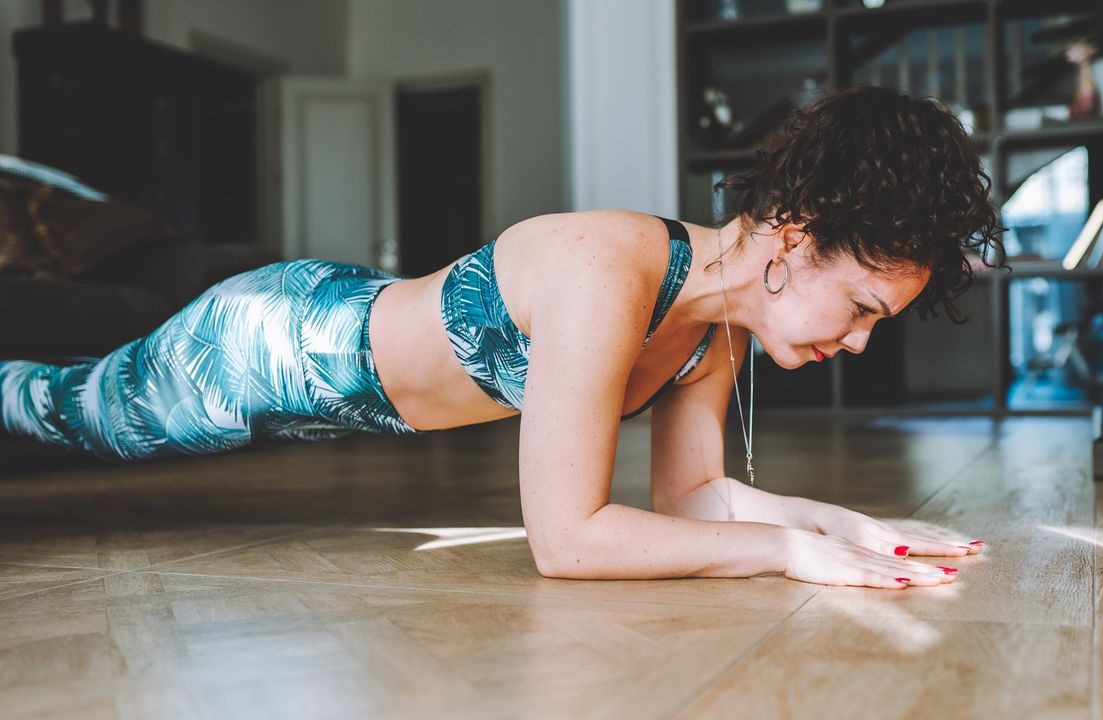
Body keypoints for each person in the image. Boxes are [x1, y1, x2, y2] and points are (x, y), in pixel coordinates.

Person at [0, 85, 1004, 589]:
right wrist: (788, 554)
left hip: (326, 389)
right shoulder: (610, 269)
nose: (863, 341)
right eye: (865, 308)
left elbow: (694, 500)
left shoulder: (718, 330)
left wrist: (843, 529)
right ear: (795, 238)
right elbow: (566, 542)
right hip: (267, 343)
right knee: (55, 410)